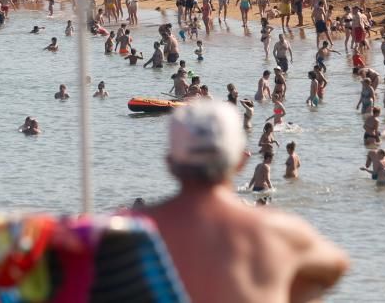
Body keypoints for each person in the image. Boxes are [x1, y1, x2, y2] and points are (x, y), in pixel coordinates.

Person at [140, 102, 348, 303]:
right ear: (241, 162)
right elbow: (337, 265)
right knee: (305, 290)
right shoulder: (277, 229)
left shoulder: (123, 229)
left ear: (169, 164)